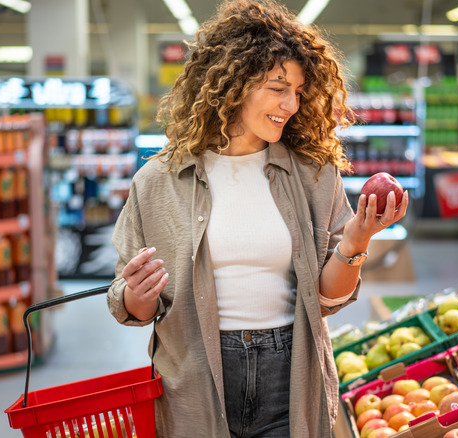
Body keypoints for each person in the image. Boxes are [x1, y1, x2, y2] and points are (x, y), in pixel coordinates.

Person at [107, 0, 409, 436]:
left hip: (291, 375)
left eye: (299, 91)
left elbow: (328, 300)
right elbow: (130, 306)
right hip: (195, 379)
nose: (290, 103)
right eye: (277, 87)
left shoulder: (313, 174)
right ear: (233, 84)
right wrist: (139, 293)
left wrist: (356, 242)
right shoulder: (158, 181)